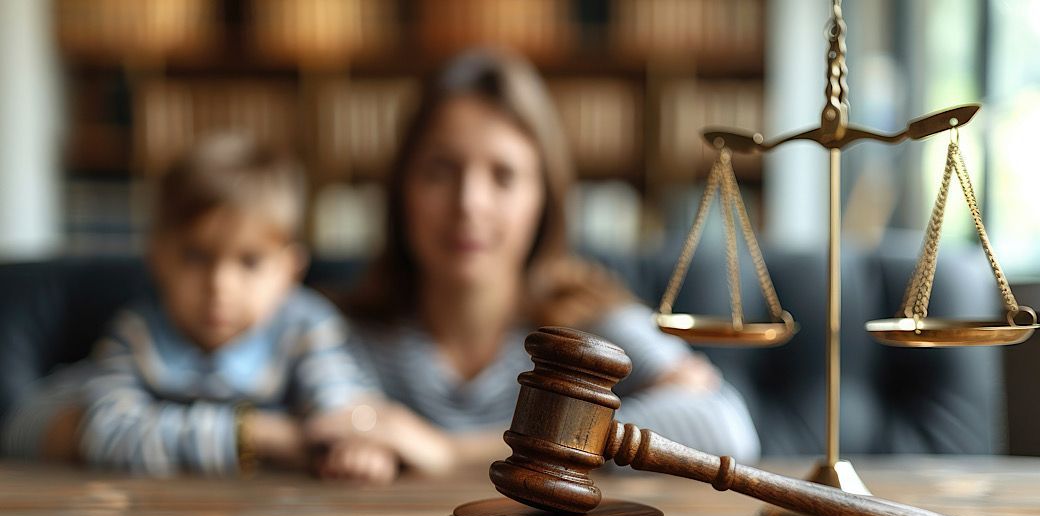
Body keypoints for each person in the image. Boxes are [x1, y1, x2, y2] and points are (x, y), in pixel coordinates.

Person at [306, 49, 760, 481]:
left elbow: (725, 429)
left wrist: (448, 450)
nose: (469, 204)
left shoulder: (591, 326)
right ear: (402, 189)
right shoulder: (333, 333)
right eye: (441, 170)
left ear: (543, 199)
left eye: (503, 176)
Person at [47, 134, 451, 479]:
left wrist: (357, 449)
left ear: (290, 271)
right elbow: (104, 432)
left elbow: (339, 411)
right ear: (158, 257)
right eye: (195, 256)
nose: (219, 285)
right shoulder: (137, 333)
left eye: (250, 261)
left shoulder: (306, 326)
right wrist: (256, 434)